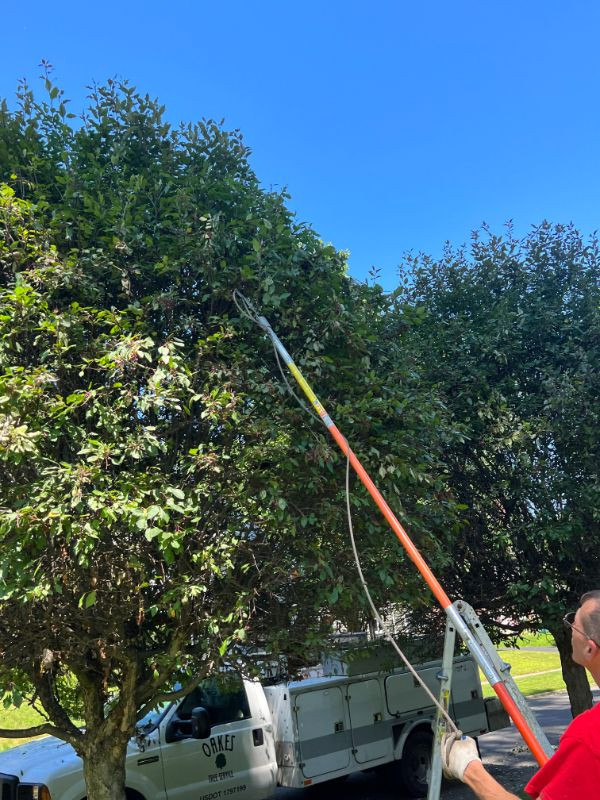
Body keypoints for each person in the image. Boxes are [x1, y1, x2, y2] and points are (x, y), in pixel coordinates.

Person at [442, 590, 600, 799]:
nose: (569, 630)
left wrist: (468, 768)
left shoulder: (588, 738)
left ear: (590, 649)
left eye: (573, 624)